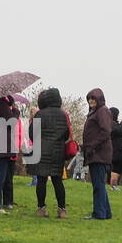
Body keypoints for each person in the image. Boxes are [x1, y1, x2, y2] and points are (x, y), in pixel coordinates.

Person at [31, 88, 71, 217]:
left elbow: (32, 134)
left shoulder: (40, 114)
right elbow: (66, 135)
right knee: (57, 180)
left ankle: (41, 208)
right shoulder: (63, 114)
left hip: (42, 150)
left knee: (41, 180)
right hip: (58, 151)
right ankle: (62, 209)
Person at [83, 88, 114, 220]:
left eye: (93, 98)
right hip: (96, 153)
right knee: (99, 184)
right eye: (89, 98)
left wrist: (92, 147)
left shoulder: (102, 111)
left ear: (99, 99)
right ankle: (105, 212)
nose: (91, 101)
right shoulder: (95, 112)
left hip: (99, 153)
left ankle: (99, 213)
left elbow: (105, 131)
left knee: (98, 185)